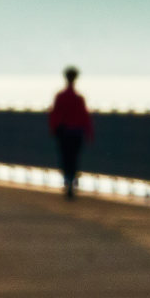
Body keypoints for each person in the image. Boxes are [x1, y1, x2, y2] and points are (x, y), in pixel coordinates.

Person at [47, 67, 94, 200]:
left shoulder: (60, 97)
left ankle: (68, 181)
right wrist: (89, 133)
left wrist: (53, 129)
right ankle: (72, 181)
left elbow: (54, 115)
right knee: (74, 158)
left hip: (64, 133)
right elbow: (85, 117)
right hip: (77, 133)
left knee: (65, 158)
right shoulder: (79, 99)